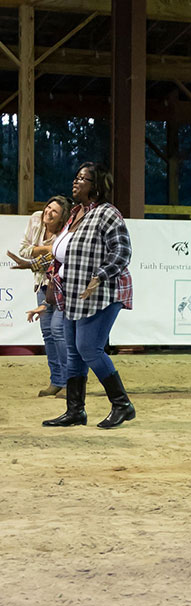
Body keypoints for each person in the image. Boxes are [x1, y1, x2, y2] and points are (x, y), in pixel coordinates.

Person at [42, 162, 137, 430]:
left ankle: (122, 404)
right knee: (73, 353)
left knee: (89, 348)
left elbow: (122, 251)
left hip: (103, 292)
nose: (76, 182)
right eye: (76, 177)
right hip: (74, 294)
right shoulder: (76, 213)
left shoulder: (107, 213)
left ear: (96, 186)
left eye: (82, 179)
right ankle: (75, 410)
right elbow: (63, 252)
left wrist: (100, 275)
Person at [8, 195, 71, 397]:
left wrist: (38, 254)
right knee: (48, 333)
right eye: (48, 208)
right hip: (43, 284)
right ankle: (57, 380)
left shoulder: (67, 232)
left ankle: (72, 382)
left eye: (54, 211)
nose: (48, 213)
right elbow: (24, 249)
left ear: (62, 218)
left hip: (63, 286)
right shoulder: (36, 218)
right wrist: (47, 249)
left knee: (58, 331)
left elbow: (58, 260)